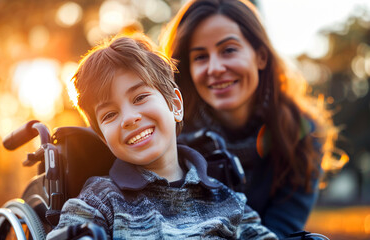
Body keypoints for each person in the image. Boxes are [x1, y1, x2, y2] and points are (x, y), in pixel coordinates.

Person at [46, 34, 277, 239]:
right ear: (103, 138)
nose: (128, 118)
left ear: (175, 105)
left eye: (139, 98)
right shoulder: (100, 200)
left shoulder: (223, 196)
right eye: (110, 114)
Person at [159, 0, 345, 238]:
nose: (215, 67)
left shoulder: (302, 134)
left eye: (228, 50)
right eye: (200, 57)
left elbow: (279, 231)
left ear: (261, 57)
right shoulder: (171, 140)